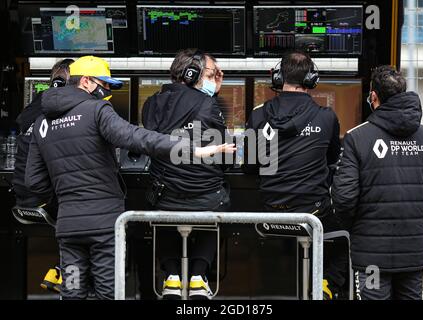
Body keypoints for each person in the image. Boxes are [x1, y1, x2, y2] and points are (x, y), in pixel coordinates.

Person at [25, 55, 234, 300]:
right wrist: (191, 149)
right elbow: (137, 137)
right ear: (86, 82)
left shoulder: (42, 123)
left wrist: (67, 195)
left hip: (69, 228)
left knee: (72, 288)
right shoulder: (96, 110)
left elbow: (34, 182)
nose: (107, 92)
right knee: (108, 291)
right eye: (104, 85)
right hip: (104, 227)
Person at [331, 65, 423, 300]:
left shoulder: (357, 137)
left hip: (371, 257)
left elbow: (343, 197)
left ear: (373, 96)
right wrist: (418, 222)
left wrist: (359, 228)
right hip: (413, 252)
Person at [244, 50, 347, 299]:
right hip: (313, 214)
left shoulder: (258, 115)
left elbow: (250, 166)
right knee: (347, 233)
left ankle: (277, 287)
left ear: (279, 78)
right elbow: (332, 160)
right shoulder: (327, 117)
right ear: (312, 80)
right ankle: (325, 285)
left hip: (270, 211)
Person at [142, 49, 231, 300]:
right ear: (193, 74)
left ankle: (171, 275)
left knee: (160, 205)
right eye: (213, 74)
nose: (216, 78)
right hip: (207, 199)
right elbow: (224, 156)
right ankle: (198, 275)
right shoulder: (208, 104)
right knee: (221, 200)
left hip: (163, 197)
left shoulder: (151, 103)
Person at [12, 58, 74, 293]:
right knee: (97, 204)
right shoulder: (67, 111)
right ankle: (69, 272)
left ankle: (65, 270)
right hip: (45, 199)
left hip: (23, 197)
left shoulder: (33, 108)